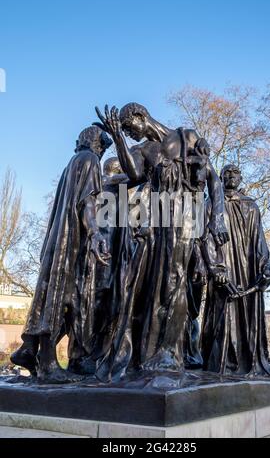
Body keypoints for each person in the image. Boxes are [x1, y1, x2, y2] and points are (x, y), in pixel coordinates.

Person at [93, 103, 229, 381]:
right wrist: (118, 138)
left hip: (185, 217)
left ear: (142, 117)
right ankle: (146, 354)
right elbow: (134, 176)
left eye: (131, 128)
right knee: (145, 286)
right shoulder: (142, 150)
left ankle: (168, 352)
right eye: (127, 132)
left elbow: (213, 179)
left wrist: (217, 216)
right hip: (154, 221)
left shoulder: (185, 137)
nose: (131, 134)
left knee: (174, 282)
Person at [11, 126, 112, 383]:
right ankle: (47, 364)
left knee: (65, 299)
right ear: (96, 144)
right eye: (103, 146)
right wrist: (95, 234)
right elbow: (87, 202)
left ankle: (29, 349)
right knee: (62, 298)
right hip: (72, 241)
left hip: (61, 238)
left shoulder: (73, 162)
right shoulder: (89, 160)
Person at [201, 164, 270, 377]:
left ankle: (251, 362)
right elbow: (205, 238)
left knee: (249, 318)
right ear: (221, 178)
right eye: (226, 173)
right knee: (223, 318)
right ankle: (222, 364)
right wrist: (216, 268)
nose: (231, 176)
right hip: (224, 271)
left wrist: (266, 266)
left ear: (241, 177)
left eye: (235, 172)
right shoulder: (211, 204)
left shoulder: (251, 206)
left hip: (249, 272)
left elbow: (259, 239)